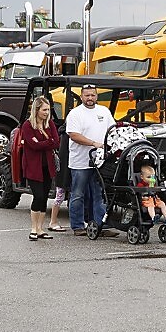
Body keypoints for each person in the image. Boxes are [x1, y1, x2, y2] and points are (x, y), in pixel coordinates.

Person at [65, 84, 115, 235]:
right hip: (80, 162)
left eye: (92, 95)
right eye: (87, 95)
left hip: (100, 162)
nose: (90, 98)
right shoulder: (75, 114)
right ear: (81, 97)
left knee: (99, 194)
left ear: (97, 96)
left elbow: (112, 130)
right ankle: (78, 226)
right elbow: (73, 135)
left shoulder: (104, 112)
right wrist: (94, 143)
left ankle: (100, 226)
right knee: (78, 194)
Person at [17, 96, 60, 240]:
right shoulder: (27, 125)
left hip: (47, 166)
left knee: (45, 197)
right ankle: (33, 228)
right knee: (38, 195)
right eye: (44, 110)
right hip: (33, 166)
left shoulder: (50, 124)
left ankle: (41, 229)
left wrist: (44, 142)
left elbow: (56, 142)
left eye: (48, 110)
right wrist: (47, 142)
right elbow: (33, 145)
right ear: (36, 110)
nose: (47, 113)